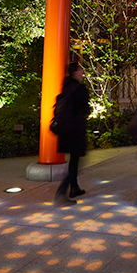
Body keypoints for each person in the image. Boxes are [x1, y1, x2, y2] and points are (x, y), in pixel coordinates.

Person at [53, 62, 90, 205]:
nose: (82, 72)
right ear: (75, 72)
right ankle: (61, 192)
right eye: (80, 70)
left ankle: (74, 187)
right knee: (76, 161)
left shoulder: (66, 86)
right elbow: (85, 109)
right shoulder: (80, 89)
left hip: (65, 130)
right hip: (76, 130)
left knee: (74, 160)